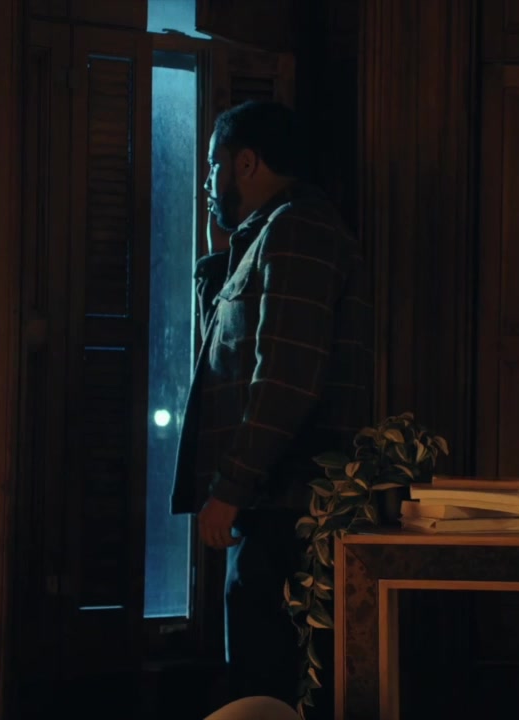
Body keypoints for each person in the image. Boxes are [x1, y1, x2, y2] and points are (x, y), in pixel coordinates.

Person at [171, 100, 373, 711]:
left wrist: (228, 489)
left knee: (267, 690)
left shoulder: (298, 230)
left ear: (247, 163)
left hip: (292, 512)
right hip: (273, 507)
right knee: (257, 683)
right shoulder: (268, 236)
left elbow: (285, 379)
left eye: (214, 167)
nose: (207, 183)